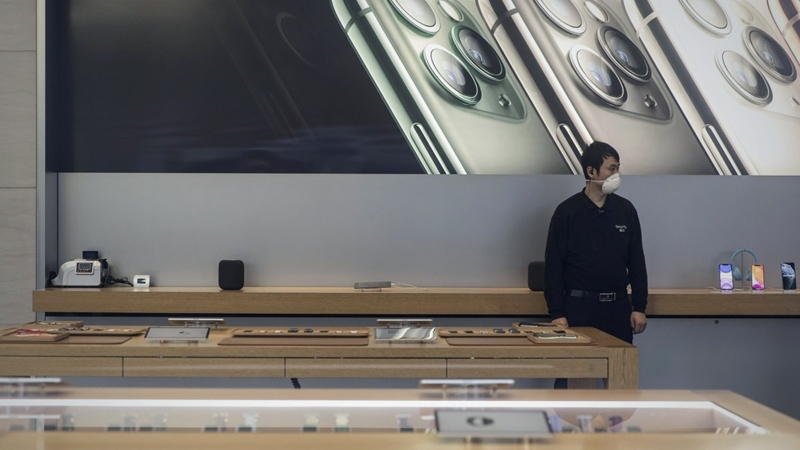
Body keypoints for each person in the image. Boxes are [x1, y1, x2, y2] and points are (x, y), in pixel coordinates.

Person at [544, 141, 648, 350]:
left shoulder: (625, 210)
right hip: (578, 307)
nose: (617, 174)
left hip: (618, 307)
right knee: (573, 376)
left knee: (621, 374)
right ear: (591, 171)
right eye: (611, 168)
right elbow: (554, 266)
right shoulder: (567, 212)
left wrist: (639, 307)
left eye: (618, 168)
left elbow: (637, 261)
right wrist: (557, 313)